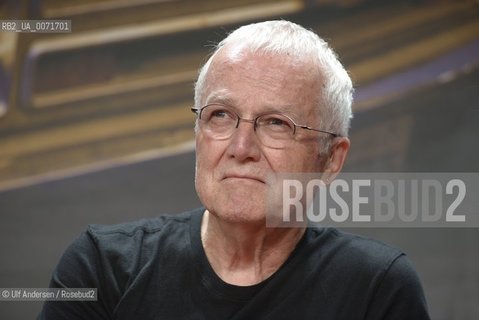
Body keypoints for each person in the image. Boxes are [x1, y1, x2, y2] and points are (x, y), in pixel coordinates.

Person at [38, 20, 430, 319]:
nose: (241, 149)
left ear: (330, 160)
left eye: (277, 123)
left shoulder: (376, 289)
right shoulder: (102, 268)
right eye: (221, 115)